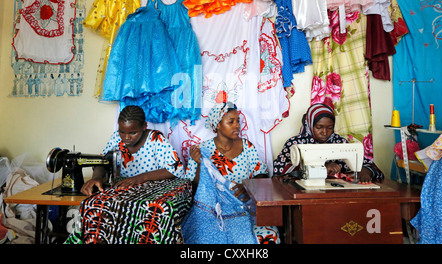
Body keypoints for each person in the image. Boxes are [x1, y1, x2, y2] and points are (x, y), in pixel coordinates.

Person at [65, 105, 191, 244]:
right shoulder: (116, 139)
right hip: (124, 191)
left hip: (154, 192)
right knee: (95, 207)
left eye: (133, 133)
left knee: (156, 213)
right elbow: (103, 161)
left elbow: (175, 169)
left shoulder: (156, 139)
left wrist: (139, 178)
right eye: (121, 131)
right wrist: (97, 177)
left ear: (144, 126)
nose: (126, 137)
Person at [185, 102, 280, 244]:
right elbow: (196, 188)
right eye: (231, 122)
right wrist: (199, 163)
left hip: (244, 204)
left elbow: (261, 174)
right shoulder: (202, 150)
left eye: (238, 121)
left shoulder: (247, 146)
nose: (237, 125)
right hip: (216, 210)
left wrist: (249, 186)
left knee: (265, 235)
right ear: (217, 125)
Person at [273, 103, 384, 183]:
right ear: (310, 125)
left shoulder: (340, 142)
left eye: (330, 128)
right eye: (319, 127)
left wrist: (366, 171)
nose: (325, 132)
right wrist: (322, 169)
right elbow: (278, 169)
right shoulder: (295, 143)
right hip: (302, 194)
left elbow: (366, 163)